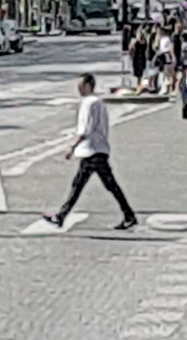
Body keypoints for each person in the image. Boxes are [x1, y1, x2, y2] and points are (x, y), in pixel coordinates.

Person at [42, 73, 137, 231]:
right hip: (100, 149)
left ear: (88, 85)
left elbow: (85, 128)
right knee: (107, 185)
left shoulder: (88, 103)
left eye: (81, 85)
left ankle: (61, 217)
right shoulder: (99, 102)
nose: (78, 88)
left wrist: (72, 147)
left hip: (91, 150)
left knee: (80, 186)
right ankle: (129, 215)